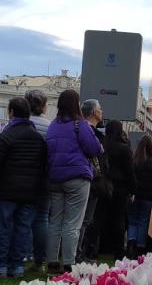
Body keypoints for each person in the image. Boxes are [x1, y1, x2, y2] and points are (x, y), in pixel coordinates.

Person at [0, 96, 47, 278]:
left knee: (2, 228)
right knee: (23, 229)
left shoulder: (6, 136)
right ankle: (17, 266)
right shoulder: (38, 138)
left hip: (6, 191)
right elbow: (44, 166)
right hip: (30, 192)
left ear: (11, 112)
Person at [44, 91, 103, 273]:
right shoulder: (80, 124)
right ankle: (69, 262)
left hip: (55, 178)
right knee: (72, 223)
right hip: (77, 177)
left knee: (55, 221)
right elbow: (95, 148)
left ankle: (52, 261)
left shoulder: (53, 125)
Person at [128, 134, 152, 256]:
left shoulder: (134, 160)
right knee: (143, 222)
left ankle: (131, 243)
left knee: (132, 221)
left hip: (134, 196)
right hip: (149, 197)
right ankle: (140, 247)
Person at [26, 89, 51, 267]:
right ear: (43, 106)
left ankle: (23, 254)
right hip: (44, 177)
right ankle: (40, 259)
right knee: (42, 218)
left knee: (23, 217)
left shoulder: (19, 124)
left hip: (22, 177)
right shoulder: (49, 127)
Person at [102, 120, 134, 259]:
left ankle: (100, 247)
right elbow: (129, 171)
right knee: (119, 218)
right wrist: (133, 187)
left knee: (101, 217)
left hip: (103, 185)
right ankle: (118, 250)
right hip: (121, 186)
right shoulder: (124, 148)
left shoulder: (102, 145)